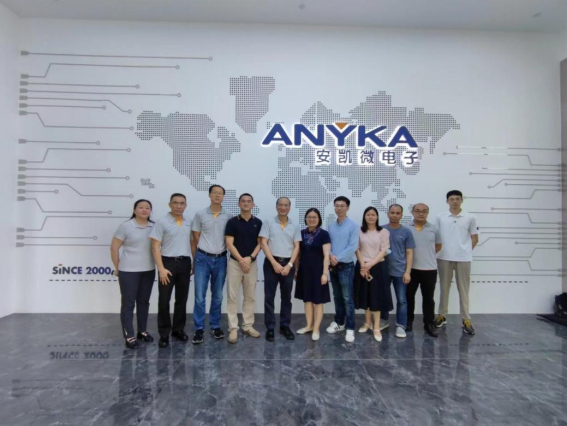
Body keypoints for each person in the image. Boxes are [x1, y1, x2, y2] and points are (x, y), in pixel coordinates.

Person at [110, 199, 156, 349]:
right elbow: (114, 248)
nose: (144, 210)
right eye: (141, 207)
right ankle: (129, 335)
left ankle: (142, 331)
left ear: (150, 211)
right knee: (128, 304)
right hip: (128, 271)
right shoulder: (126, 226)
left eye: (147, 208)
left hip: (148, 270)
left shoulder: (154, 227)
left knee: (144, 302)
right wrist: (118, 267)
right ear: (135, 210)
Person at [150, 193, 193, 349]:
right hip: (167, 263)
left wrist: (192, 261)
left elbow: (192, 243)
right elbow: (155, 247)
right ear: (170, 204)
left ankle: (178, 330)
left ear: (185, 205)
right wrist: (161, 268)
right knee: (164, 300)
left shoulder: (189, 222)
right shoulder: (161, 222)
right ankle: (164, 333)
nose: (178, 206)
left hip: (185, 262)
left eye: (182, 203)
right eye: (175, 203)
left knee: (181, 299)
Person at [191, 184, 233, 344]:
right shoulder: (200, 214)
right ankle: (199, 328)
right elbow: (195, 238)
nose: (217, 195)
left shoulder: (228, 216)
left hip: (221, 259)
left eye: (220, 193)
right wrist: (195, 259)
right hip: (202, 259)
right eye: (214, 193)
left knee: (217, 296)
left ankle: (215, 326)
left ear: (223, 197)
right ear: (209, 195)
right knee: (199, 296)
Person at [434, 190, 479, 335]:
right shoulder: (440, 217)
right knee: (444, 288)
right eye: (452, 199)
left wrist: (465, 251)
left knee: (463, 290)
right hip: (444, 257)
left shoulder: (470, 217)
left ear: (461, 200)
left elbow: (475, 238)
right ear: (447, 201)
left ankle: (466, 319)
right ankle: (442, 315)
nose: (454, 201)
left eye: (457, 199)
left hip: (463, 259)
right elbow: (436, 237)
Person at [259, 197, 301, 342]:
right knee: (269, 297)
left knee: (286, 297)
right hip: (271, 263)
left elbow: (297, 246)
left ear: (289, 207)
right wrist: (274, 263)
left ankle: (285, 326)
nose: (283, 207)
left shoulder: (295, 225)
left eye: (286, 205)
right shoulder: (268, 222)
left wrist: (290, 265)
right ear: (276, 207)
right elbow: (263, 243)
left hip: (288, 264)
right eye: (280, 205)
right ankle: (270, 328)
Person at [225, 193, 263, 344]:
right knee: (232, 297)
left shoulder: (258, 223)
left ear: (253, 205)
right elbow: (229, 244)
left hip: (251, 264)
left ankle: (247, 325)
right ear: (239, 204)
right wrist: (241, 260)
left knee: (249, 296)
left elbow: (261, 243)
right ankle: (233, 328)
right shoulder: (232, 222)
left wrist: (250, 258)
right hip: (235, 264)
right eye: (243, 201)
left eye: (249, 201)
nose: (246, 203)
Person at [354, 207, 392, 342]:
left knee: (377, 297)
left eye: (373, 215)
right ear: (364, 217)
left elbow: (384, 250)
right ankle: (366, 322)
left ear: (377, 217)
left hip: (378, 266)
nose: (370, 217)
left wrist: (369, 265)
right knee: (366, 296)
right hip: (362, 266)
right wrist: (363, 265)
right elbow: (357, 249)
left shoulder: (383, 232)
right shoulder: (359, 231)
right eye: (368, 215)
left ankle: (376, 327)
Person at [294, 208, 331, 342]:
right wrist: (296, 270)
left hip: (318, 271)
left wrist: (325, 273)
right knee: (307, 300)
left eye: (314, 217)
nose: (311, 219)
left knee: (317, 300)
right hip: (304, 271)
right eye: (309, 217)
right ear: (305, 218)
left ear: (319, 219)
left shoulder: (324, 234)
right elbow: (298, 253)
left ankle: (316, 328)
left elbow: (326, 255)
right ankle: (309, 326)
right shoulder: (301, 233)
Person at [326, 196, 359, 343]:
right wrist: (331, 256)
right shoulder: (331, 226)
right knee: (337, 296)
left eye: (342, 206)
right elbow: (328, 244)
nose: (339, 208)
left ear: (347, 207)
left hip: (346, 266)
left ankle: (350, 327)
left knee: (347, 298)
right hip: (333, 266)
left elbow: (353, 246)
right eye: (337, 206)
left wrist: (337, 258)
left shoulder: (353, 226)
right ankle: (339, 323)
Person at [407, 203, 442, 337]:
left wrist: (427, 255)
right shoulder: (406, 228)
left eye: (424, 211)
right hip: (411, 269)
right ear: (412, 212)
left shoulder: (434, 229)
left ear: (428, 213)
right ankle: (408, 321)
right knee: (409, 297)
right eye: (417, 211)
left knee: (428, 298)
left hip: (429, 269)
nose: (421, 213)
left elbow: (438, 246)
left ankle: (429, 323)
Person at [382, 204, 415, 338]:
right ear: (388, 214)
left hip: (400, 271)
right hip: (383, 270)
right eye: (392, 213)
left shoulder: (406, 232)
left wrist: (407, 272)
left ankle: (401, 325)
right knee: (383, 298)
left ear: (401, 215)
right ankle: (383, 321)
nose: (395, 215)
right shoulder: (381, 230)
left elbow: (409, 253)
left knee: (402, 300)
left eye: (397, 213)